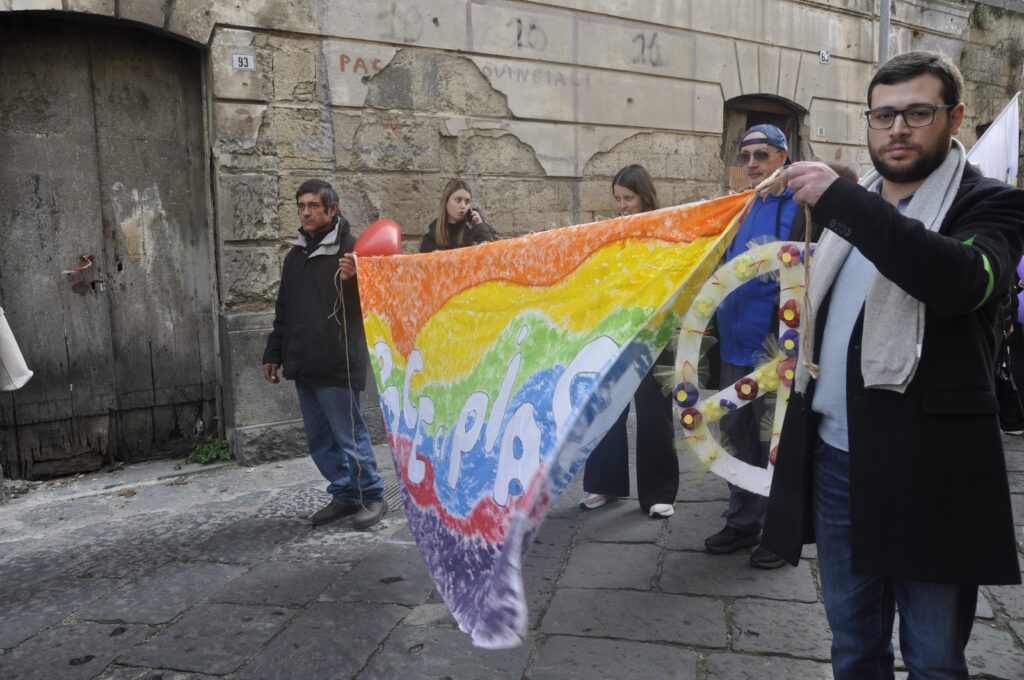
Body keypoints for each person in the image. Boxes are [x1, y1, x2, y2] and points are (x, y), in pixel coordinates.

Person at [763, 51, 1024, 678]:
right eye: (883, 115)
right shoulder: (854, 209)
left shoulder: (991, 205)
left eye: (917, 113)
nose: (897, 129)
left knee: (934, 657)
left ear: (954, 117)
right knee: (853, 646)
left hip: (929, 467)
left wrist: (844, 200)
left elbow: (960, 281)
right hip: (836, 462)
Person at [703, 124, 804, 569]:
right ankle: (744, 521)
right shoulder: (743, 205)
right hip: (734, 344)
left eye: (761, 156)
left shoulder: (802, 205)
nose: (751, 166)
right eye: (744, 157)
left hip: (774, 347)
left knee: (776, 441)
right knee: (740, 437)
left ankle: (781, 536)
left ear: (783, 156)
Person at [262, 179, 387, 530]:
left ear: (333, 209)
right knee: (319, 440)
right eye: (301, 205)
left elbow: (369, 310)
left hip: (337, 361)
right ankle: (345, 494)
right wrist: (273, 352)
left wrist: (352, 282)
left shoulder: (353, 251)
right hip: (303, 362)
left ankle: (373, 494)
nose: (306, 212)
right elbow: (283, 309)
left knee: (349, 436)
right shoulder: (295, 256)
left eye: (313, 205)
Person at [578, 164, 679, 519]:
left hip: (654, 333)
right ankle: (605, 485)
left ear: (644, 196)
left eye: (629, 198)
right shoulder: (612, 229)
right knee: (607, 409)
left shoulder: (663, 229)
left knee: (655, 415)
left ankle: (659, 493)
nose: (622, 205)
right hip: (615, 333)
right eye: (618, 199)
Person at [419, 179, 497, 252]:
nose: (463, 206)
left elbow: (494, 252)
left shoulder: (473, 226)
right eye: (458, 200)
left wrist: (479, 227)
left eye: (467, 201)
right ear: (446, 201)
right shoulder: (434, 232)